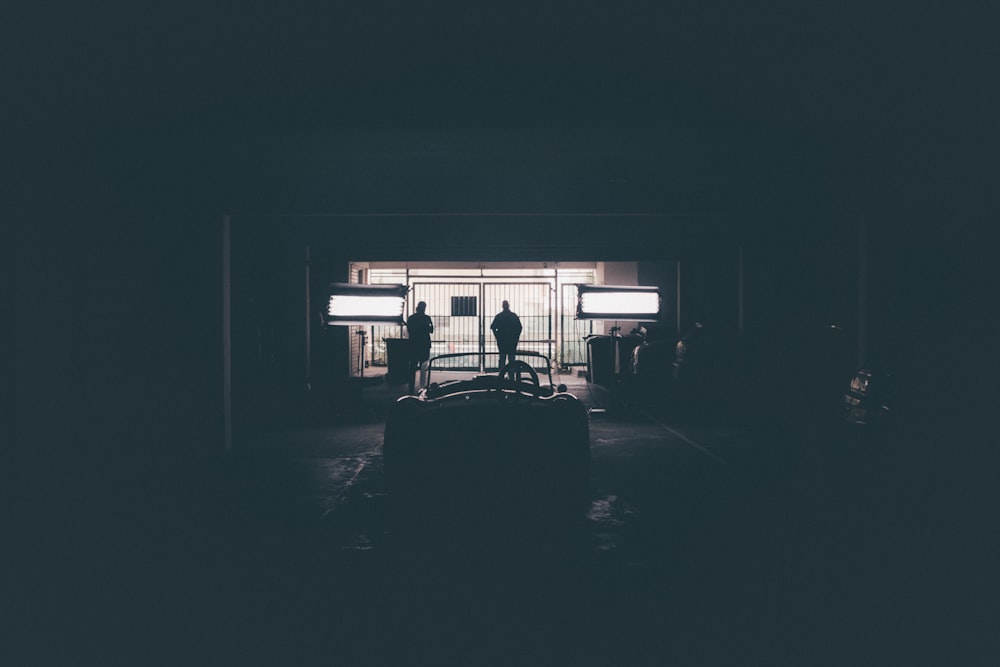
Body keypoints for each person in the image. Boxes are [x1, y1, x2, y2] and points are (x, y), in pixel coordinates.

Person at [405, 301, 434, 394]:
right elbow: (431, 330)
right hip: (424, 345)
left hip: (413, 345)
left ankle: (411, 387)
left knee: (412, 367)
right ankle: (423, 387)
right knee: (424, 367)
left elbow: (409, 330)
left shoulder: (411, 318)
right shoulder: (427, 318)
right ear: (424, 308)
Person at [490, 300, 522, 371]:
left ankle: (502, 375)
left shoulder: (499, 316)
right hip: (512, 341)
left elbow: (492, 327)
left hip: (502, 341)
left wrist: (497, 336)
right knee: (511, 359)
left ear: (502, 306)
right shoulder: (513, 316)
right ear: (509, 305)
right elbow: (519, 328)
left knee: (502, 358)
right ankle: (512, 376)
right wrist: (516, 337)